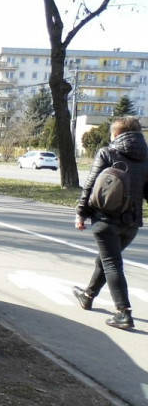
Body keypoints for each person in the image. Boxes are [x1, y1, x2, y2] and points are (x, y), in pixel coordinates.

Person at [73, 116, 148, 329]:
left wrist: (81, 213)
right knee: (106, 260)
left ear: (116, 134)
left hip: (106, 220)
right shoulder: (146, 157)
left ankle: (123, 313)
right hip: (131, 224)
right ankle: (88, 296)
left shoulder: (107, 152)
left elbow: (90, 186)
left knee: (111, 263)